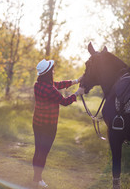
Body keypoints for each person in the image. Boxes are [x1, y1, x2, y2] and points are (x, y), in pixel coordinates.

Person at [32, 59, 84, 188]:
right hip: (48, 126)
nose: (54, 71)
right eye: (52, 69)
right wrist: (77, 93)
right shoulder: (50, 89)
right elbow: (65, 102)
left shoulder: (38, 85)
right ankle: (38, 179)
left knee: (38, 150)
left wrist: (76, 81)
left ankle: (35, 178)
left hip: (37, 123)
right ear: (48, 73)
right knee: (43, 152)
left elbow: (58, 84)